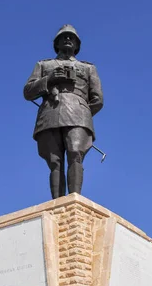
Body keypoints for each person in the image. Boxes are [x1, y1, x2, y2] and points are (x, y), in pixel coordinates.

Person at [24, 24, 103, 198]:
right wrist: (49, 79)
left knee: (75, 152)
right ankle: (57, 203)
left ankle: (75, 199)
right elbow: (28, 92)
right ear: (57, 43)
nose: (68, 39)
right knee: (54, 160)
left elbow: (97, 99)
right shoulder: (44, 65)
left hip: (79, 115)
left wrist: (82, 112)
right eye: (64, 37)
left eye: (71, 38)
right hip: (50, 114)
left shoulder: (88, 68)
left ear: (77, 45)